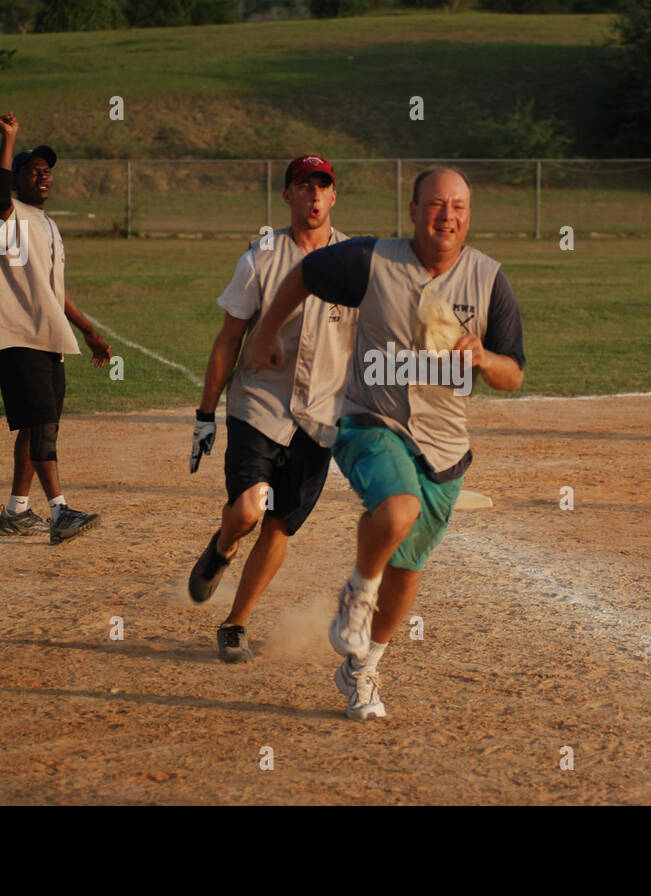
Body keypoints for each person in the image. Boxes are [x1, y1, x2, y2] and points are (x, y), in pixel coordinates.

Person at [247, 168, 526, 719]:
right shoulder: (373, 261)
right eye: (436, 204)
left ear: (469, 215)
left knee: (407, 570)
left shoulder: (489, 279)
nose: (447, 216)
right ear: (414, 210)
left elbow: (513, 372)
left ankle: (362, 669)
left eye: (459, 206)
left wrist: (484, 358)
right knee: (397, 510)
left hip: (445, 446)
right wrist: (266, 330)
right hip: (370, 422)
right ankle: (355, 594)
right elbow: (305, 273)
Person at [188, 155, 357, 663]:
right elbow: (228, 340)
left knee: (279, 522)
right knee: (247, 511)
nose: (312, 196)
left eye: (321, 187)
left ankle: (235, 623)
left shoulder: (355, 261)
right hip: (259, 403)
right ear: (287, 197)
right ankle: (222, 545)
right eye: (303, 187)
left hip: (321, 415)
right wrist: (204, 414)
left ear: (333, 196)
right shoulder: (261, 258)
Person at [0, 112, 110, 544]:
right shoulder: (8, 215)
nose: (43, 176)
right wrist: (10, 139)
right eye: (33, 171)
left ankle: (17, 511)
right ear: (17, 180)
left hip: (49, 337)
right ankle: (60, 513)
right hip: (20, 336)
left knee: (35, 423)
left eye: (47, 171)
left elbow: (57, 291)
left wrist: (88, 330)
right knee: (43, 425)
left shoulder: (48, 226)